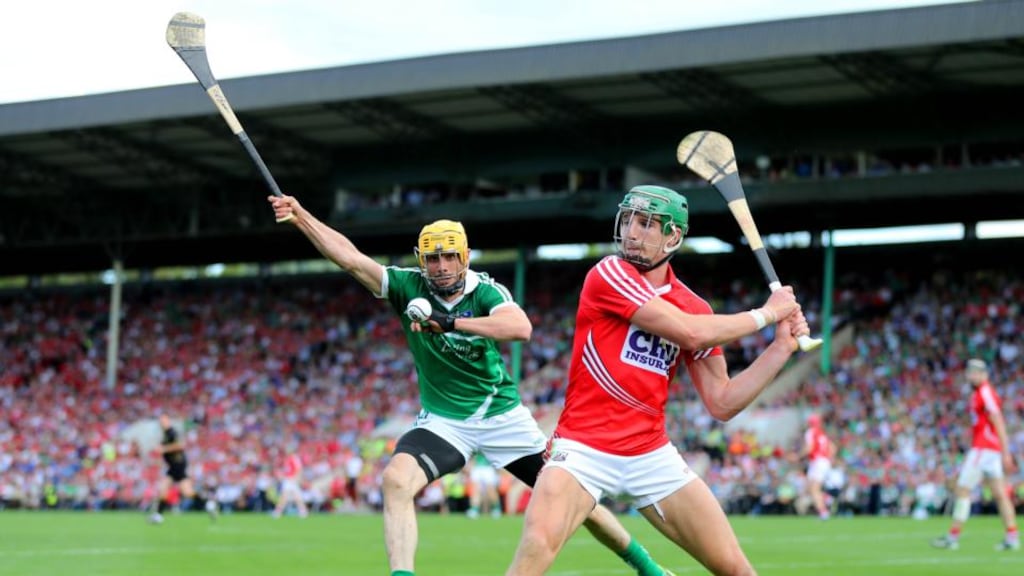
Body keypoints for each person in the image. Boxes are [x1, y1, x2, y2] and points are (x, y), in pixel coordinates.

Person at [268, 194, 676, 576]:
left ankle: (648, 568)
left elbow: (521, 327)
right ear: (421, 260)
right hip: (444, 421)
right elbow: (351, 259)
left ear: (464, 257)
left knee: (576, 502)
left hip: (503, 418)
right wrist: (301, 216)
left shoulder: (485, 291)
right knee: (396, 480)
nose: (441, 266)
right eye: (432, 258)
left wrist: (450, 322)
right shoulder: (406, 285)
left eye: (449, 256)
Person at [505, 185, 807, 576]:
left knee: (737, 570)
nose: (632, 231)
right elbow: (691, 334)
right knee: (536, 547)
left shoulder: (694, 306)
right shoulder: (609, 273)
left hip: (650, 454)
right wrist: (766, 315)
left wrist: (780, 348)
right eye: (629, 219)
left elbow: (723, 401)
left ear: (673, 237)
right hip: (583, 448)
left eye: (647, 224)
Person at [932, 358, 1019, 551]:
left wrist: (1006, 453)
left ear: (983, 374)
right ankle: (1012, 536)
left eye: (975, 372)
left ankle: (952, 537)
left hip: (984, 449)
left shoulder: (985, 392)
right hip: (990, 451)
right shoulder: (978, 393)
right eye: (969, 371)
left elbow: (998, 420)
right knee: (1000, 495)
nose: (970, 375)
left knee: (963, 489)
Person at [149, 414, 217, 523]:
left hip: (178, 465)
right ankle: (208, 504)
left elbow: (180, 445)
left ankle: (158, 515)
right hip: (174, 466)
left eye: (164, 420)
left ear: (168, 421)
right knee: (180, 491)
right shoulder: (166, 434)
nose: (162, 422)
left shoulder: (172, 432)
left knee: (172, 490)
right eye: (161, 421)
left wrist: (164, 449)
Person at [802, 413, 835, 520]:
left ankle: (824, 512)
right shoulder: (822, 433)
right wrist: (828, 459)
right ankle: (826, 499)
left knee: (814, 489)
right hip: (823, 461)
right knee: (810, 488)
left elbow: (809, 448)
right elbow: (833, 447)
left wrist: (797, 456)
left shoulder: (811, 432)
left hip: (817, 462)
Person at [272, 449, 310, 518]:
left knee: (286, 496)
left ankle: (277, 512)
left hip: (291, 480)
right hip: (288, 479)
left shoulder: (294, 458)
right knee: (295, 496)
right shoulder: (288, 459)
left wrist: (295, 478)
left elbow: (299, 469)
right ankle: (303, 511)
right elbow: (288, 470)